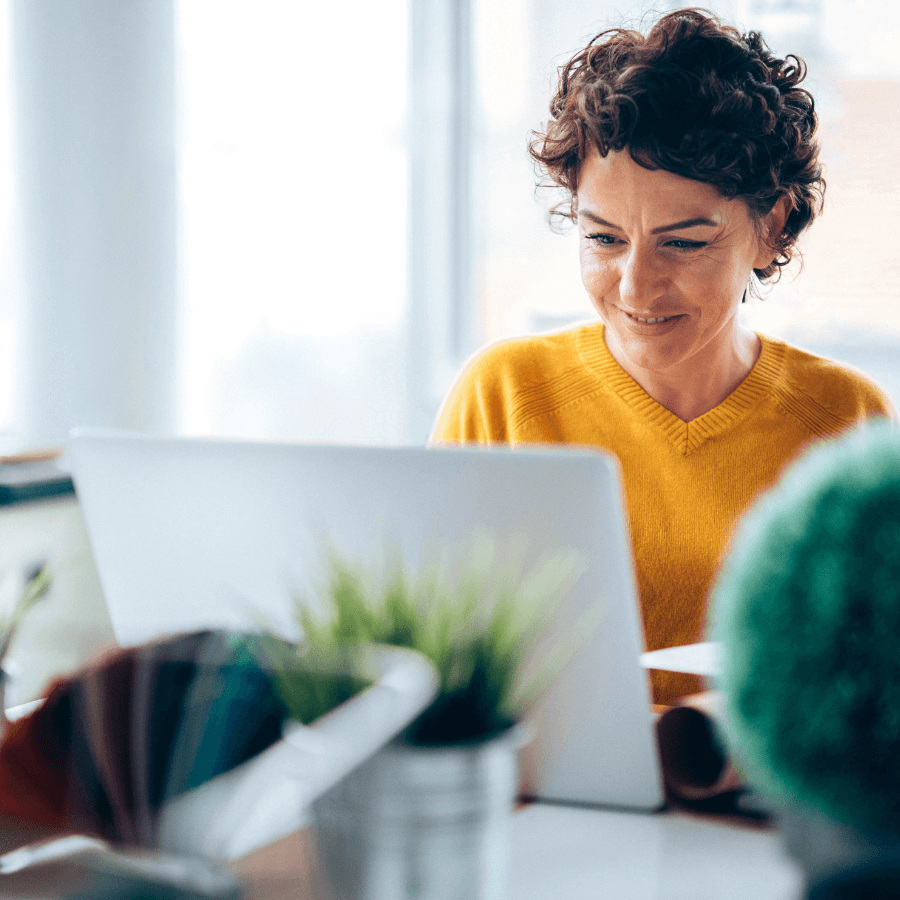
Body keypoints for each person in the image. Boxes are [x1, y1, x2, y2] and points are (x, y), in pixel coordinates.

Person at [430, 8, 896, 704]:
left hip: (756, 811)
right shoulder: (503, 394)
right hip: (551, 805)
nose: (635, 286)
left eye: (682, 242)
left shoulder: (846, 420)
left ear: (769, 228)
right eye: (604, 239)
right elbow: (432, 657)